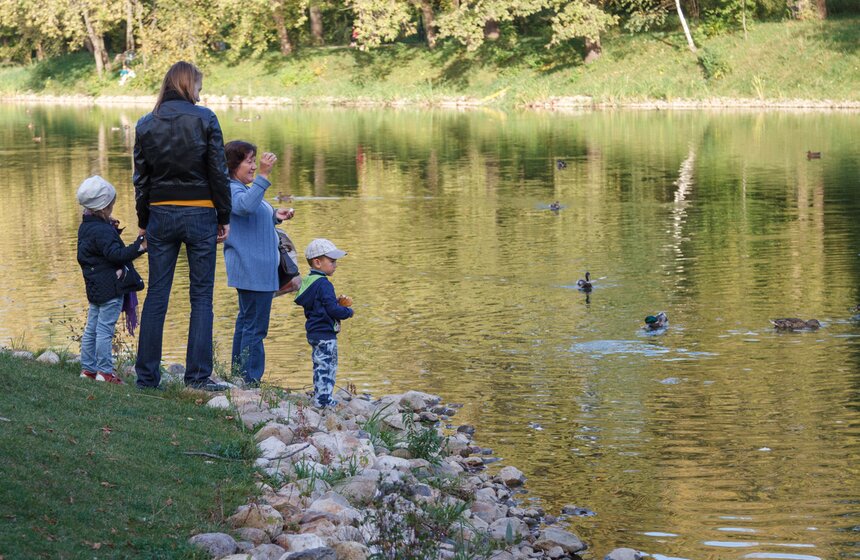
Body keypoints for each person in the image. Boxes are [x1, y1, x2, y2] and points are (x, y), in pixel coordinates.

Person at [132, 61, 232, 391]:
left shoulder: (146, 123)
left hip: (161, 214)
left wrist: (144, 221)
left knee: (157, 295)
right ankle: (197, 378)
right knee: (201, 297)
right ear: (189, 86)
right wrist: (224, 216)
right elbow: (218, 172)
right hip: (200, 213)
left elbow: (141, 180)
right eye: (199, 88)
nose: (200, 95)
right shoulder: (206, 118)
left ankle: (147, 378)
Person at [223, 140, 295, 386]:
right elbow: (244, 207)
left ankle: (239, 375)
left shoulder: (242, 188)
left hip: (256, 270)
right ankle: (250, 380)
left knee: (247, 322)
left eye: (255, 162)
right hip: (253, 269)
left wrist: (275, 216)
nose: (254, 166)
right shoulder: (232, 189)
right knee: (255, 327)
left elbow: (251, 213)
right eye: (249, 161)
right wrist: (264, 175)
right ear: (233, 164)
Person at [76, 175, 147, 384]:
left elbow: (98, 251)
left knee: (92, 328)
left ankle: (88, 369)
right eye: (110, 206)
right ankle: (105, 372)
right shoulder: (103, 231)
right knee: (105, 330)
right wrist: (140, 246)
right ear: (103, 208)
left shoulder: (86, 227)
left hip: (94, 287)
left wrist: (110, 228)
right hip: (110, 288)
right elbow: (116, 255)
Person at [294, 239, 354, 408]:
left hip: (314, 332)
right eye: (332, 261)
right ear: (317, 262)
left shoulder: (308, 282)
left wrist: (334, 302)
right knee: (328, 366)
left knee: (320, 364)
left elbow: (319, 305)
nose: (335, 265)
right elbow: (332, 310)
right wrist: (348, 312)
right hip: (325, 333)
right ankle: (324, 400)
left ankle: (320, 393)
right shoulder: (324, 284)